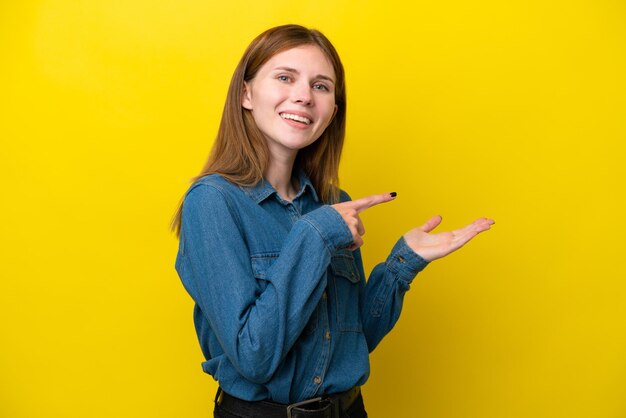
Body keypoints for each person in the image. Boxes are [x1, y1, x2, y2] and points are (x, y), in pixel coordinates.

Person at [172, 24, 494, 418]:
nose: (304, 96)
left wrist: (402, 263)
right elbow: (253, 356)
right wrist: (315, 234)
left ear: (332, 113)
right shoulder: (212, 202)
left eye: (321, 86)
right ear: (246, 93)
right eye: (285, 77)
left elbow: (349, 344)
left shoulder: (333, 203)